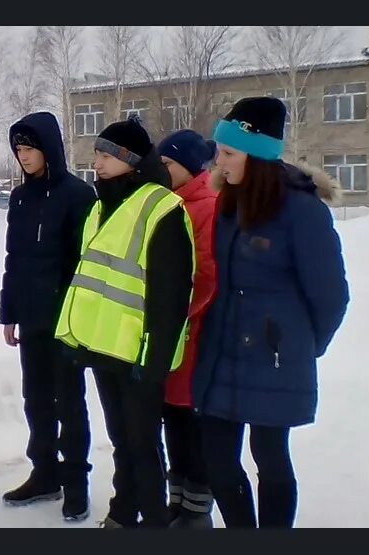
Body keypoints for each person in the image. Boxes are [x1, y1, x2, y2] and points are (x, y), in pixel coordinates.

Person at [192, 97, 349, 528]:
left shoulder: (302, 211)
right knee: (218, 458)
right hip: (224, 350)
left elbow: (332, 295)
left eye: (228, 153)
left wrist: (299, 345)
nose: (218, 163)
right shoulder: (229, 203)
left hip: (274, 356)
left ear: (257, 154)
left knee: (270, 457)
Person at [55, 117, 196, 528]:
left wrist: (153, 364)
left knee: (143, 447)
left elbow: (170, 296)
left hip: (138, 355)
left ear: (129, 160)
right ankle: (122, 512)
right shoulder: (101, 205)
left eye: (104, 155)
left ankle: (152, 522)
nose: (95, 162)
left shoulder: (162, 207)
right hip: (103, 347)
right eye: (96, 153)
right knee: (122, 443)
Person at [0, 111, 96, 522]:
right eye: (18, 149)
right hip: (32, 317)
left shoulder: (77, 195)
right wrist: (9, 313)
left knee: (69, 402)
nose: (23, 156)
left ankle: (76, 482)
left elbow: (85, 261)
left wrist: (78, 314)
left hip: (67, 318)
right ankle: (45, 473)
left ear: (49, 149)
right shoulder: (20, 198)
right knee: (35, 399)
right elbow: (14, 257)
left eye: (29, 148)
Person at [157, 130, 219, 528]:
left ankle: (198, 510)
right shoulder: (173, 203)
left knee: (192, 425)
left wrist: (177, 313)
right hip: (169, 336)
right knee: (172, 421)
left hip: (193, 335)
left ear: (190, 166)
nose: (161, 170)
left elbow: (207, 276)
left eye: (167, 164)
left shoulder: (207, 206)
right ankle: (177, 501)